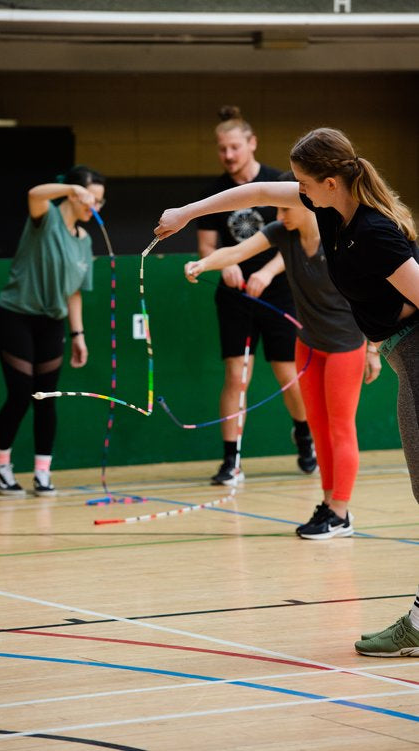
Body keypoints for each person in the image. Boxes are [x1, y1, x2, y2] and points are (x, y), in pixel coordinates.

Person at [155, 126, 419, 657]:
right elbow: (252, 193)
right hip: (400, 353)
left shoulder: (374, 232)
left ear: (328, 181)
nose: (292, 191)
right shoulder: (328, 210)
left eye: (301, 181)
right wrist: (186, 213)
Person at [185, 171, 382, 539]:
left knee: (341, 428)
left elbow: (372, 292)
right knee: (320, 429)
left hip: (344, 346)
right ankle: (329, 504)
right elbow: (237, 251)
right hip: (308, 344)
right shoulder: (282, 233)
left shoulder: (339, 237)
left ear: (307, 206)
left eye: (283, 207)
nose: (279, 214)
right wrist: (204, 264)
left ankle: (341, 511)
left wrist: (373, 348)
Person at [197, 105, 316, 486]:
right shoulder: (213, 193)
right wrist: (221, 265)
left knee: (287, 375)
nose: (228, 155)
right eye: (221, 149)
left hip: (279, 294)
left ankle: (304, 435)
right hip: (234, 298)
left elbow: (296, 240)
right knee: (236, 376)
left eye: (234, 147)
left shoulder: (277, 184)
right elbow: (207, 247)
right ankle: (231, 460)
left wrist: (265, 271)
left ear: (251, 143)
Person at [0, 165, 106, 498]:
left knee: (46, 398)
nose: (94, 208)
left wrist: (78, 335)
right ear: (73, 193)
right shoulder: (46, 217)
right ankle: (1, 465)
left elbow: (74, 292)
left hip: (52, 322)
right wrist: (69, 190)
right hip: (16, 314)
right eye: (90, 199)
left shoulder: (85, 242)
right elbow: (34, 195)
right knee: (20, 391)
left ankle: (42, 472)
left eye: (99, 202)